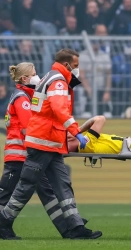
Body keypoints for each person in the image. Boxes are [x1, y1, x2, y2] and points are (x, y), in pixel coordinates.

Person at [0, 49, 102, 240]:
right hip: (43, 142)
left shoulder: (50, 77)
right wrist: (76, 133)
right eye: (77, 66)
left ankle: (75, 228)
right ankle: (3, 221)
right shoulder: (57, 82)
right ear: (67, 65)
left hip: (50, 142)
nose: (78, 70)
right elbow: (59, 109)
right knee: (26, 186)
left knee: (63, 185)